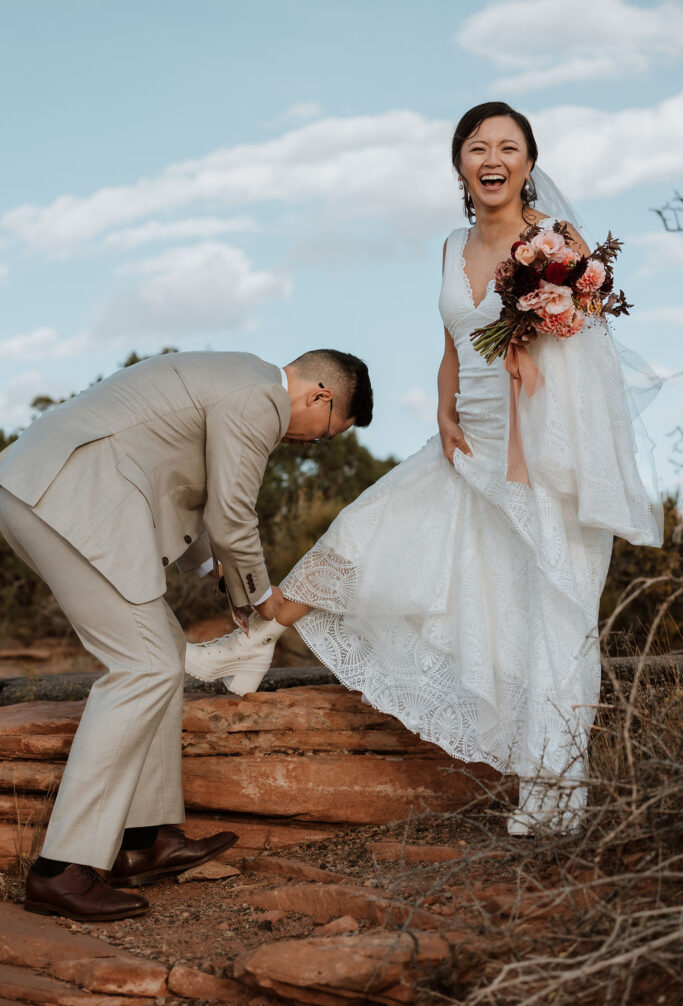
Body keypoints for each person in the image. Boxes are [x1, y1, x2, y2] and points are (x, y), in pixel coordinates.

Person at [185, 102, 662, 835]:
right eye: (477, 147)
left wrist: (528, 454)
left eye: (507, 146)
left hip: (538, 453)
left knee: (546, 616)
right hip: (464, 438)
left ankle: (555, 806)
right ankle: (253, 642)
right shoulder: (450, 243)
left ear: (529, 164)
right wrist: (442, 411)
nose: (491, 158)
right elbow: (451, 341)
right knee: (363, 528)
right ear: (460, 164)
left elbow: (582, 362)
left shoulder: (556, 244)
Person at [0, 347, 372, 920]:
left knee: (163, 655)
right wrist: (261, 598)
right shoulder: (258, 398)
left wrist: (214, 570)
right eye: (325, 434)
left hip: (51, 489)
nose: (310, 443)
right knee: (145, 667)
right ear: (320, 396)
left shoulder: (239, 379)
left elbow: (191, 497)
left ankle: (141, 839)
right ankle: (61, 870)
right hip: (68, 496)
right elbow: (232, 513)